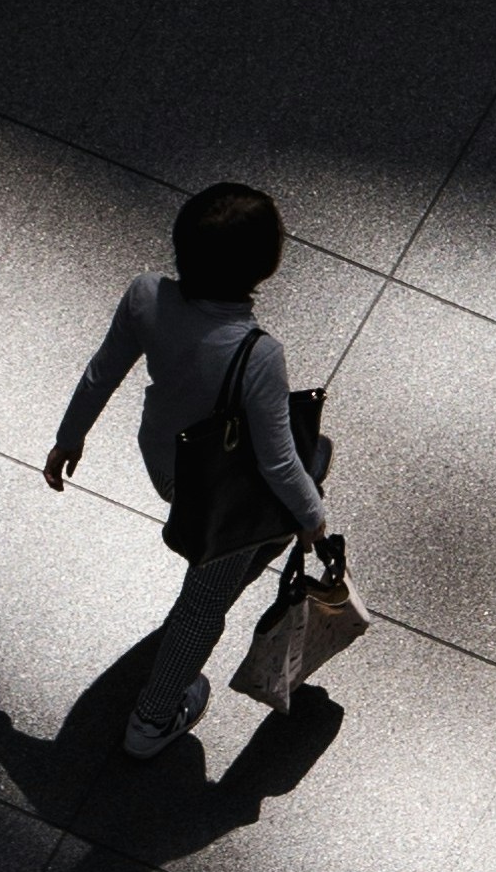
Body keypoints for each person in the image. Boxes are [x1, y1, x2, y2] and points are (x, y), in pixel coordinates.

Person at [45, 182, 330, 759]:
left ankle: (232, 567)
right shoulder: (257, 353)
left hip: (170, 464)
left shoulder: (146, 295)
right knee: (202, 606)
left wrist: (67, 439)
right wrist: (313, 519)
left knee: (313, 457)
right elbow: (276, 460)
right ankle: (150, 722)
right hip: (215, 498)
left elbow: (102, 373)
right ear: (264, 266)